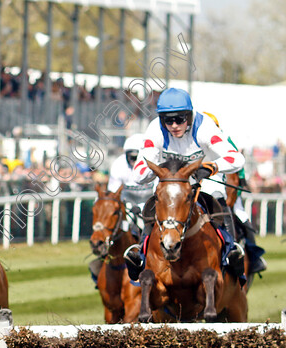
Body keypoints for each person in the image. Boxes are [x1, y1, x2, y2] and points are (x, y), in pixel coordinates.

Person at [124, 88, 247, 281]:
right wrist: (160, 171)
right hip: (172, 183)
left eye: (180, 119)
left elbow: (236, 159)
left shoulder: (204, 126)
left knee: (218, 199)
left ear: (189, 116)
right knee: (154, 205)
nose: (174, 125)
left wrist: (212, 167)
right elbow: (139, 174)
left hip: (203, 179)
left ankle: (232, 250)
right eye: (168, 120)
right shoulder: (156, 129)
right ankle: (140, 254)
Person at [201, 111, 266, 275]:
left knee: (241, 215)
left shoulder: (224, 140)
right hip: (197, 189)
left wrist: (234, 191)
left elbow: (237, 173)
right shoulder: (193, 141)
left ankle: (250, 256)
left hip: (224, 189)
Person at [89, 134, 152, 282]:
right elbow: (113, 194)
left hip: (150, 202)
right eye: (131, 156)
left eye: (137, 157)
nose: (133, 160)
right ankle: (103, 260)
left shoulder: (152, 163)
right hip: (127, 203)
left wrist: (145, 208)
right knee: (114, 227)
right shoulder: (118, 165)